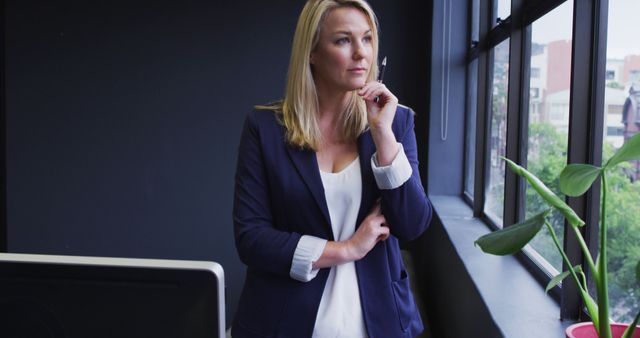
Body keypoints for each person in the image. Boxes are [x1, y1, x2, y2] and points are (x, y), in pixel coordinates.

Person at [232, 0, 432, 337]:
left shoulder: (396, 122)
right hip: (283, 323)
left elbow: (412, 224)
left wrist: (382, 135)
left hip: (379, 324)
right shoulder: (264, 128)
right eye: (343, 40)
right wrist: (348, 249)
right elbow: (251, 238)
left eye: (367, 39)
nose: (361, 53)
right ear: (312, 52)